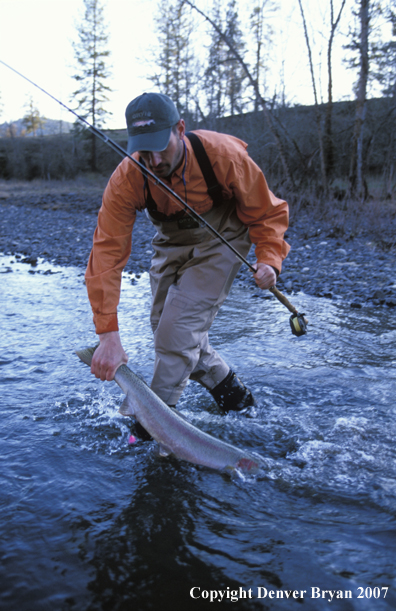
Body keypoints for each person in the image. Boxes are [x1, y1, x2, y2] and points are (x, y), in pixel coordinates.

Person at [85, 92, 290, 427]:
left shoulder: (224, 155)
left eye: (159, 146)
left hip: (224, 240)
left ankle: (152, 428)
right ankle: (238, 401)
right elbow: (106, 254)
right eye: (143, 150)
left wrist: (269, 259)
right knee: (166, 330)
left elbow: (268, 212)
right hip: (170, 243)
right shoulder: (127, 178)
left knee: (176, 334)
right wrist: (107, 334)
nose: (152, 160)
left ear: (180, 129)